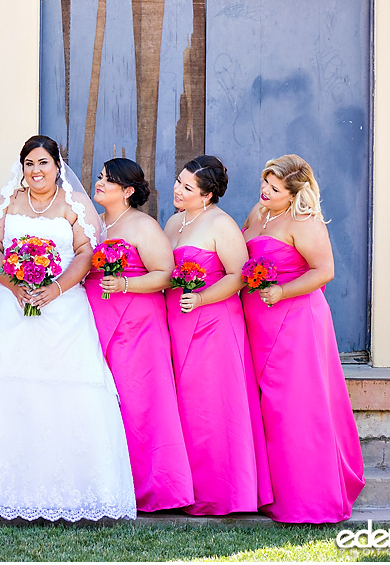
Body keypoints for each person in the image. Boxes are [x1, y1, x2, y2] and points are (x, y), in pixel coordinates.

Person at [0, 135, 136, 522]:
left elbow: (86, 253)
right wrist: (13, 283)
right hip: (9, 306)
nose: (36, 171)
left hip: (63, 310)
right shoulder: (8, 201)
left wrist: (55, 288)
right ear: (21, 168)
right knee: (5, 386)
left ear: (58, 166)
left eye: (43, 163)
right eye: (29, 164)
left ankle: (70, 491)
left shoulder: (74, 205)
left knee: (65, 388)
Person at [241, 154, 364, 523]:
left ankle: (306, 497)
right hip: (257, 320)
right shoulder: (259, 213)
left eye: (274, 188)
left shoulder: (304, 221)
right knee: (266, 405)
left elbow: (324, 270)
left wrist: (282, 292)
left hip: (296, 322)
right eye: (265, 182)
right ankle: (268, 491)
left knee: (293, 404)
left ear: (293, 192)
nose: (265, 190)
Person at [163, 156, 272, 515]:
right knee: (184, 405)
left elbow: (238, 275)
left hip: (214, 323)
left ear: (207, 195)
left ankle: (221, 491)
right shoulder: (174, 221)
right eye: (179, 182)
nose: (178, 190)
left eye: (187, 187)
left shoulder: (220, 224)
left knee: (212, 405)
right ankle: (185, 487)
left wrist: (202, 298)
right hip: (178, 320)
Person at [85, 158, 194, 512]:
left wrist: (126, 283)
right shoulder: (94, 223)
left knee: (139, 401)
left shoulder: (143, 226)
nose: (99, 183)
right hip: (96, 321)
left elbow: (166, 274)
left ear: (128, 191)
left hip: (137, 325)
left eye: (108, 180)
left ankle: (152, 487)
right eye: (100, 177)